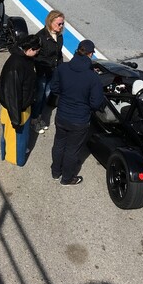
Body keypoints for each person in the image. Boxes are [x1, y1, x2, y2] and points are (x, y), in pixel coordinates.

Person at [50, 39, 104, 186]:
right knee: (72, 150)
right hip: (79, 119)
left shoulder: (62, 68)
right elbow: (96, 102)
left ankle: (55, 171)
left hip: (61, 115)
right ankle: (67, 179)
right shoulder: (93, 78)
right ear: (90, 54)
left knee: (59, 143)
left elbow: (54, 88)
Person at [0, 34, 42, 166]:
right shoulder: (16, 66)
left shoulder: (22, 58)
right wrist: (15, 119)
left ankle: (11, 153)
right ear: (29, 49)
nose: (37, 54)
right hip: (16, 111)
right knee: (17, 139)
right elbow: (12, 95)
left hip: (21, 107)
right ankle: (17, 159)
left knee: (14, 137)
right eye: (36, 51)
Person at [31, 10, 65, 134]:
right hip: (42, 73)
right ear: (50, 22)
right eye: (59, 24)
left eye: (62, 24)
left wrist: (60, 68)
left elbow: (58, 53)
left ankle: (39, 116)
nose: (61, 27)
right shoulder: (40, 37)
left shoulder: (59, 36)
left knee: (46, 96)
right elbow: (37, 57)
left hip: (52, 72)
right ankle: (34, 120)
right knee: (39, 97)